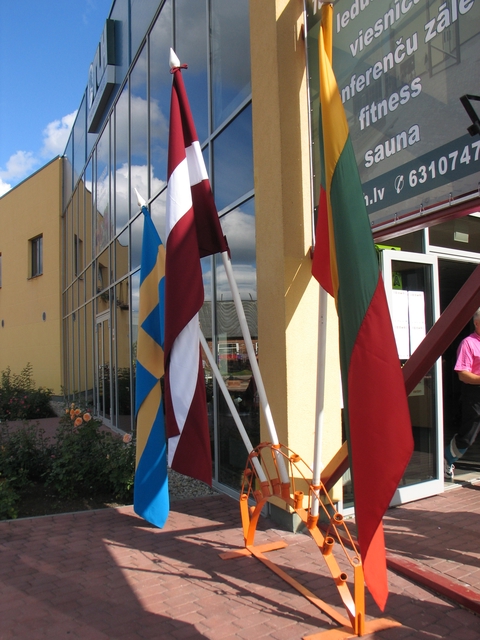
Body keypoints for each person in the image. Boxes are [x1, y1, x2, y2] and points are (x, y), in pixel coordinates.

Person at [445, 307, 480, 479]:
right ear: (477, 323)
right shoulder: (468, 343)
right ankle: (447, 458)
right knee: (468, 436)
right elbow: (463, 375)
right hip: (474, 393)